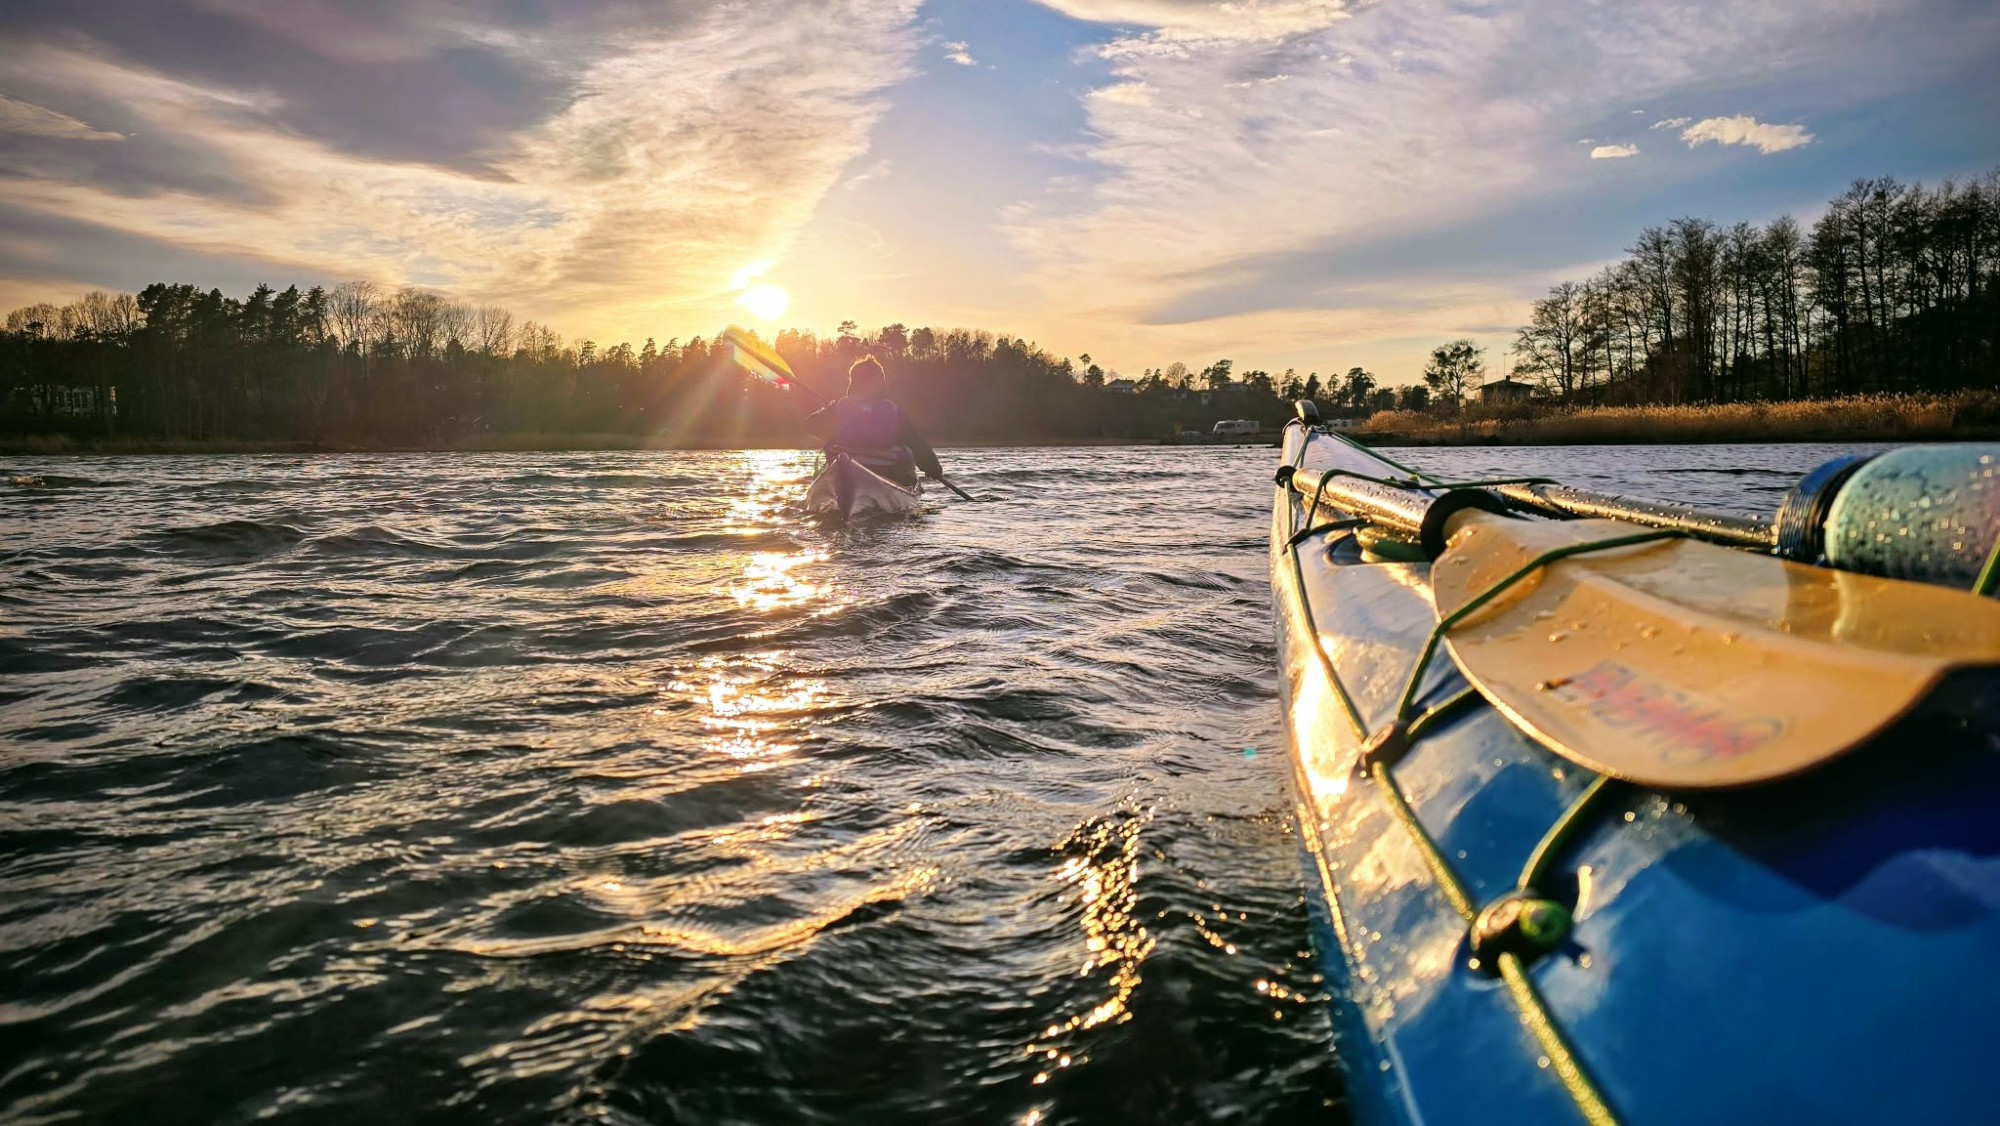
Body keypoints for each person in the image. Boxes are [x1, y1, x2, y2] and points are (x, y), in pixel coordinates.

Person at [803, 354, 942, 487]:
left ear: (853, 383)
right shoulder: (894, 411)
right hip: (888, 472)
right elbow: (915, 442)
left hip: (846, 468)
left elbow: (810, 425)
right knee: (905, 452)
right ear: (880, 384)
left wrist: (831, 411)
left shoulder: (839, 406)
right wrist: (932, 467)